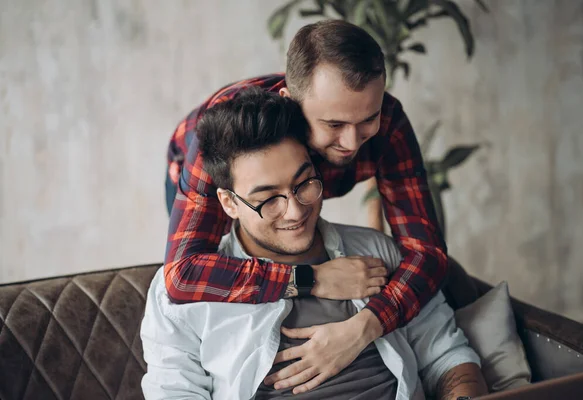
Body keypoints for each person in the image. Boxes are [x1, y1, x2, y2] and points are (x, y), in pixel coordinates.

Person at [144, 89, 487, 399]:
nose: (295, 210)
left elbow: (447, 355)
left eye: (304, 182)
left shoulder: (378, 252)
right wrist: (313, 279)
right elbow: (174, 393)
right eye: (268, 199)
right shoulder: (181, 295)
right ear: (229, 203)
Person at [164, 19, 448, 392]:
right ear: (291, 104)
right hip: (205, 174)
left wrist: (366, 326)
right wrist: (312, 279)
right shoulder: (225, 141)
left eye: (367, 120)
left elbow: (428, 252)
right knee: (221, 305)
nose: (351, 142)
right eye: (333, 123)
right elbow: (183, 275)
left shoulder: (387, 120)